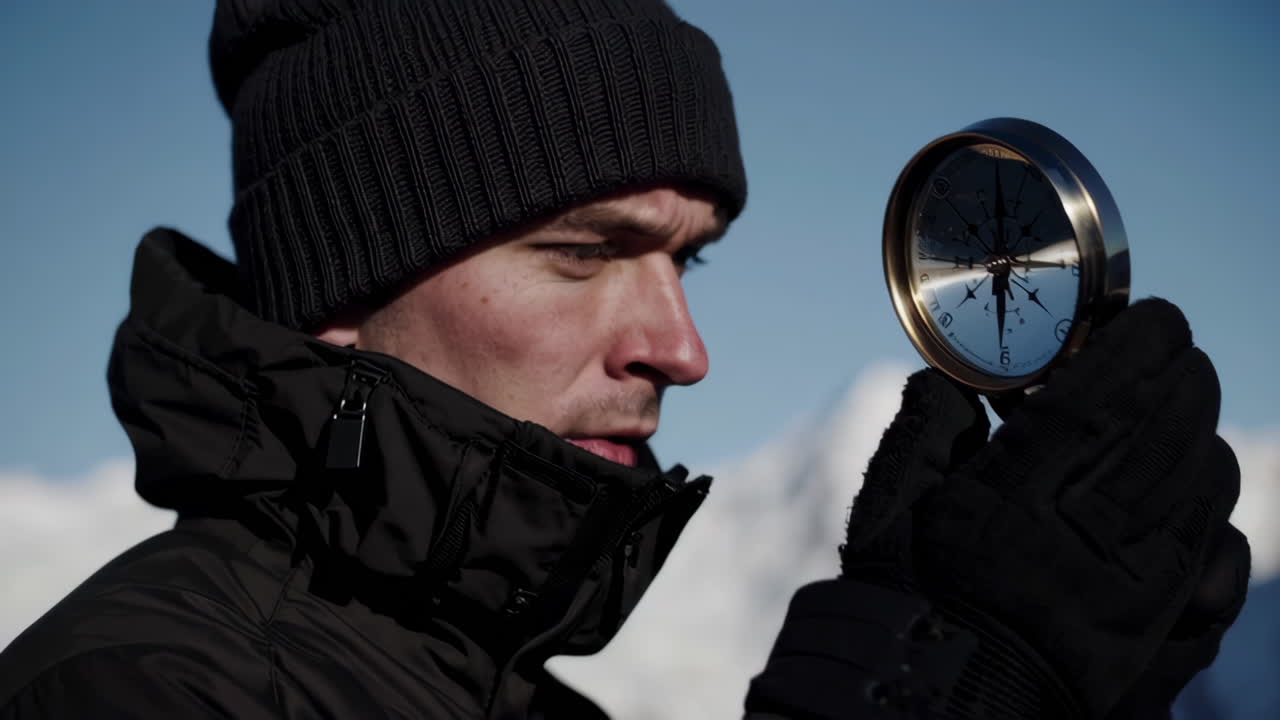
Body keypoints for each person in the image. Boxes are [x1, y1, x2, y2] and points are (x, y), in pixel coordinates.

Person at [0, 1, 1248, 718]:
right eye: (586, 252)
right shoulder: (143, 693)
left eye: (686, 260)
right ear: (338, 290)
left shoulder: (530, 704)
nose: (683, 350)